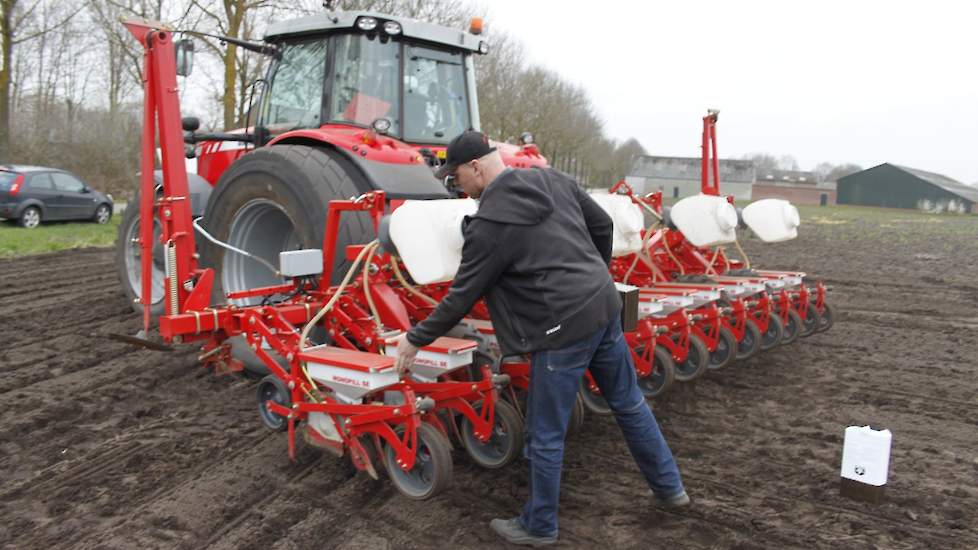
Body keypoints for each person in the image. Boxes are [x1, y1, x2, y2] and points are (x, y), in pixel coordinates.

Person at [393, 130, 688, 547]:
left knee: (544, 432)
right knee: (629, 401)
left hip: (560, 328)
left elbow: (462, 295)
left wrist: (415, 338)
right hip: (604, 306)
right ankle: (670, 488)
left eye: (456, 178)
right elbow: (600, 223)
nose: (457, 187)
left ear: (476, 166)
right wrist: (592, 274)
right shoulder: (553, 179)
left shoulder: (490, 224)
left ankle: (539, 525)